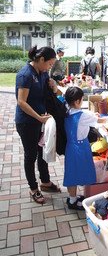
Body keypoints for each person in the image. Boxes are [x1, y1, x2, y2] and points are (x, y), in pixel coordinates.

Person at [15, 46, 61, 205]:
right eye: (49, 63)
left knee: (43, 151)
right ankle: (33, 188)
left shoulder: (42, 73)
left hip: (42, 120)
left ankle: (45, 182)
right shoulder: (25, 75)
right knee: (31, 155)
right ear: (41, 60)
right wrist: (38, 118)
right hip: (27, 122)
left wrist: (54, 86)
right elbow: (21, 102)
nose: (50, 67)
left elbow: (51, 94)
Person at [63, 86, 98, 210]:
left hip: (70, 146)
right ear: (78, 101)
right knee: (84, 170)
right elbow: (97, 119)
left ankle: (72, 198)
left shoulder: (66, 111)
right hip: (81, 146)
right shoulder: (83, 115)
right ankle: (80, 198)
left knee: (71, 173)